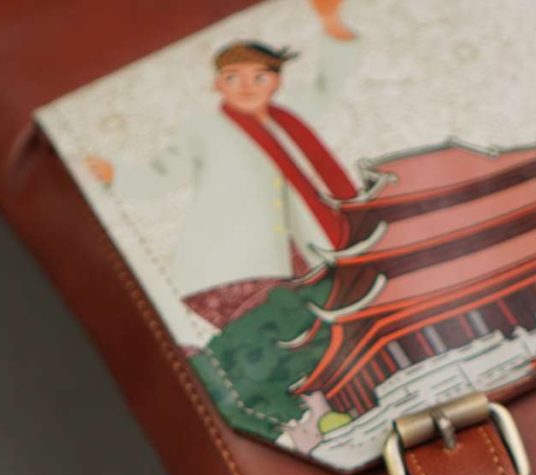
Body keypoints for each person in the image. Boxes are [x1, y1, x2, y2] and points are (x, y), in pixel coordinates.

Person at [85, 1, 358, 328]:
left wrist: (332, 25)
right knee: (271, 329)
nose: (247, 87)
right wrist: (115, 175)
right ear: (217, 84)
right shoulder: (203, 130)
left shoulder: (291, 115)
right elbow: (164, 175)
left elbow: (328, 86)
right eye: (232, 77)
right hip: (232, 255)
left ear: (277, 81)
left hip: (303, 244)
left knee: (326, 319)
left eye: (260, 77)